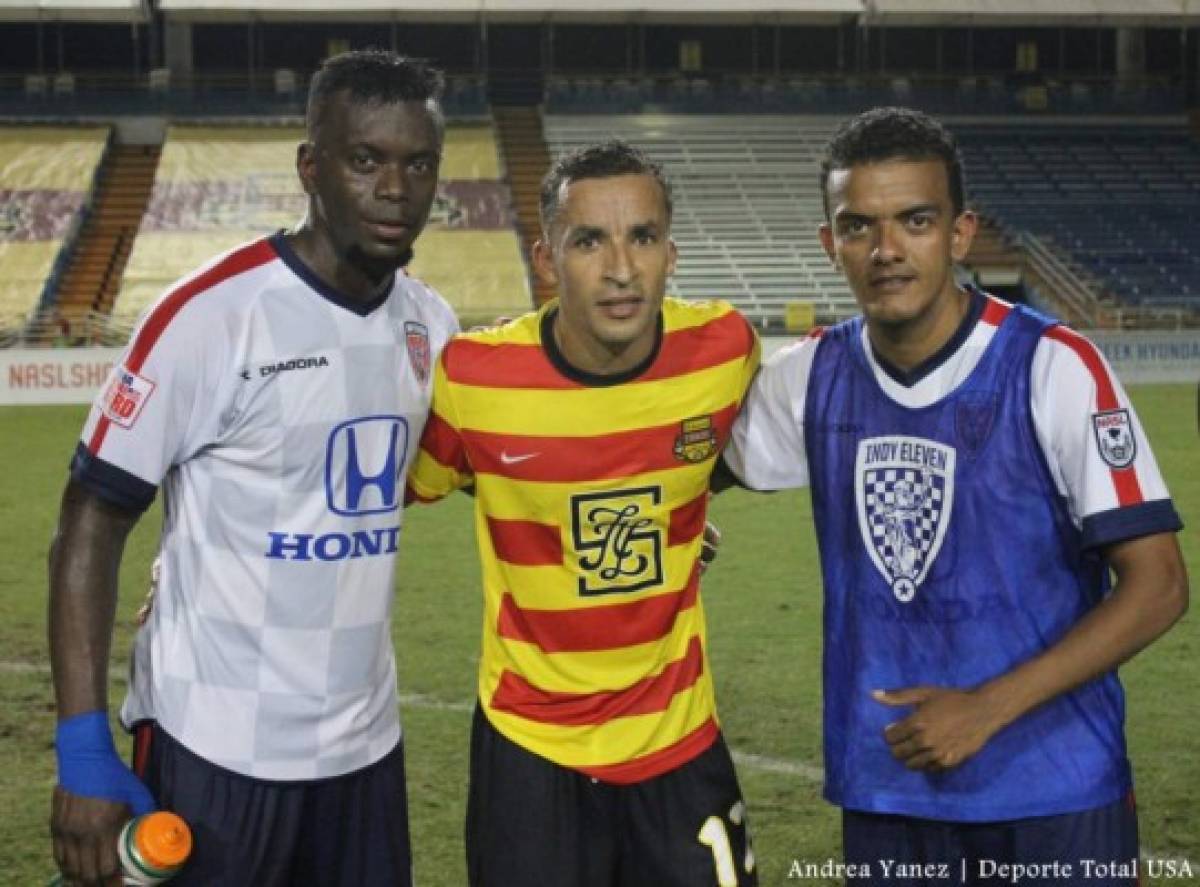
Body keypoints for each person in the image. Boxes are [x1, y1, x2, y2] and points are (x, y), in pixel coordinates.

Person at [723, 107, 1189, 883]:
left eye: (914, 220)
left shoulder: (1052, 366)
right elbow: (685, 469)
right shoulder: (807, 378)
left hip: (1055, 790)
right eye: (857, 225)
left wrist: (986, 707)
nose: (886, 249)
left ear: (960, 233)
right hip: (889, 786)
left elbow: (1160, 584)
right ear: (828, 244)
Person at [48, 50, 458, 886]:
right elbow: (89, 520)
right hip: (215, 747)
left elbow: (497, 458)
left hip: (363, 750)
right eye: (366, 159)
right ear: (311, 167)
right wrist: (83, 746)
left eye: (418, 164)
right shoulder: (211, 316)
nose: (394, 188)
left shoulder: (432, 325)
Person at [406, 140, 761, 887]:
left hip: (679, 741)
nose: (621, 268)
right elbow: (410, 485)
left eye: (643, 237)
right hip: (528, 747)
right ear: (546, 260)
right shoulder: (475, 378)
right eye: (589, 240)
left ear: (672, 254)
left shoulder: (725, 349)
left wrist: (679, 517)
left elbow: (707, 458)